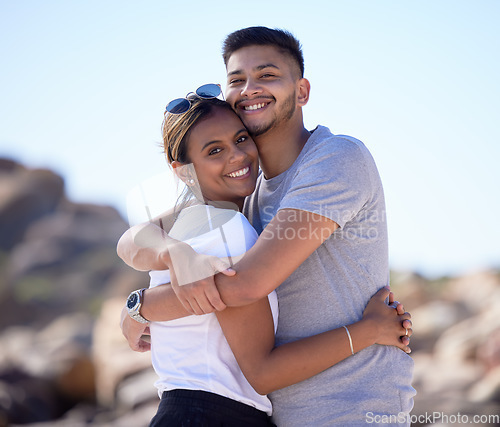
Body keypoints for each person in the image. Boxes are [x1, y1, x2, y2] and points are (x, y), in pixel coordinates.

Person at [119, 27, 416, 426]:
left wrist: (145, 307)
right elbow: (133, 238)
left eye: (267, 75)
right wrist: (167, 262)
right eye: (237, 80)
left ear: (303, 90)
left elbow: (245, 284)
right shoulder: (242, 195)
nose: (250, 89)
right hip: (280, 412)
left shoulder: (334, 158)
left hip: (353, 405)